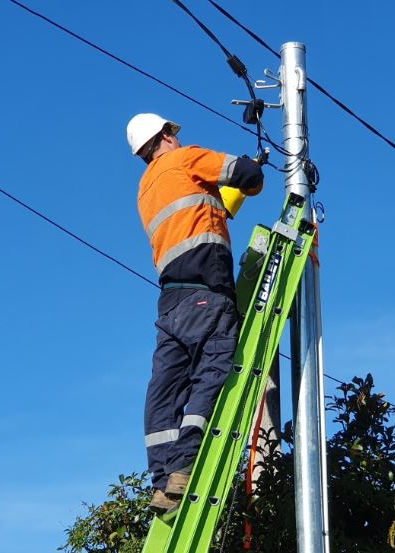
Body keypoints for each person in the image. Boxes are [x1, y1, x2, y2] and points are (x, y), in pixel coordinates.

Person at [126, 113, 264, 513]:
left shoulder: (146, 187)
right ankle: (185, 464)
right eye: (173, 133)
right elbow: (247, 174)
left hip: (171, 301)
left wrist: (224, 201)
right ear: (166, 135)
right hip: (208, 292)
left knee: (165, 389)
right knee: (212, 373)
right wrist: (252, 173)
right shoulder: (185, 159)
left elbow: (201, 210)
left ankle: (162, 479)